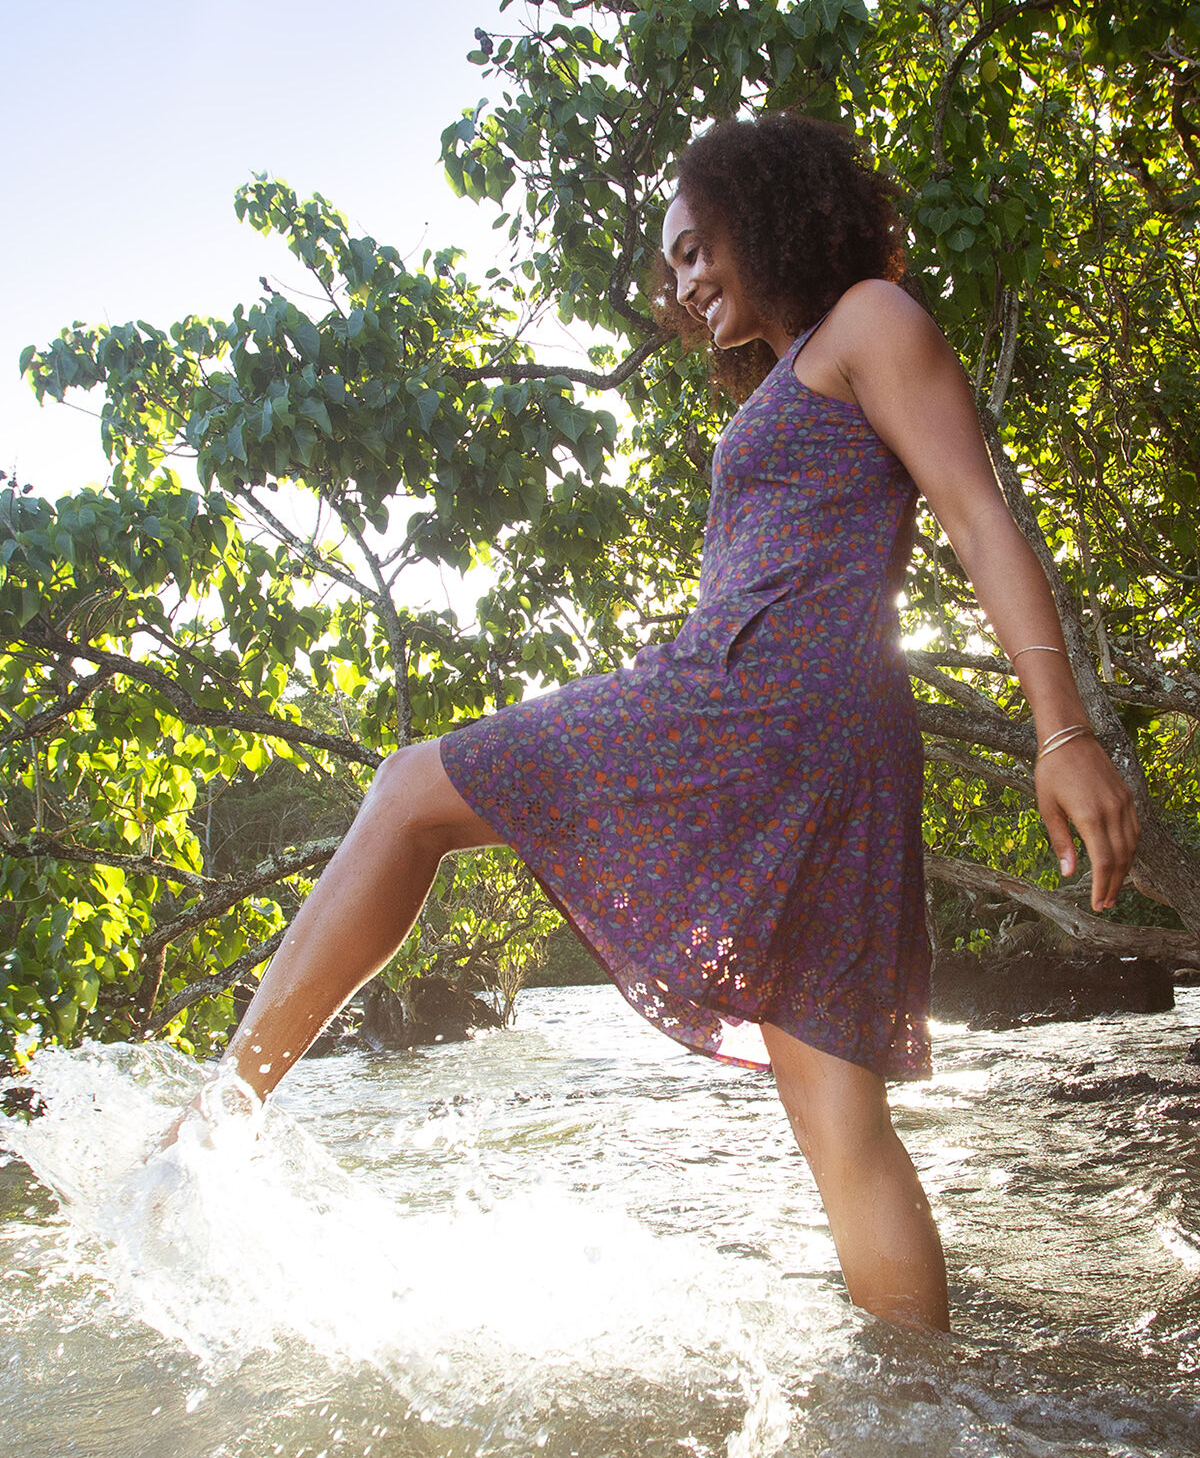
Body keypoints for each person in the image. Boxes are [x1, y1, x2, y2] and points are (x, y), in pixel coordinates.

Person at [168, 112, 1138, 1333]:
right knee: (839, 1124)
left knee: (411, 791)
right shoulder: (805, 364)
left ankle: (212, 1130)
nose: (682, 283)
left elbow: (976, 514)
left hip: (759, 705)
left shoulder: (870, 320)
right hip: (821, 733)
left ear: (763, 213)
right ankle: (925, 1407)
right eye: (671, 264)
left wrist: (1063, 730)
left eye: (694, 248)